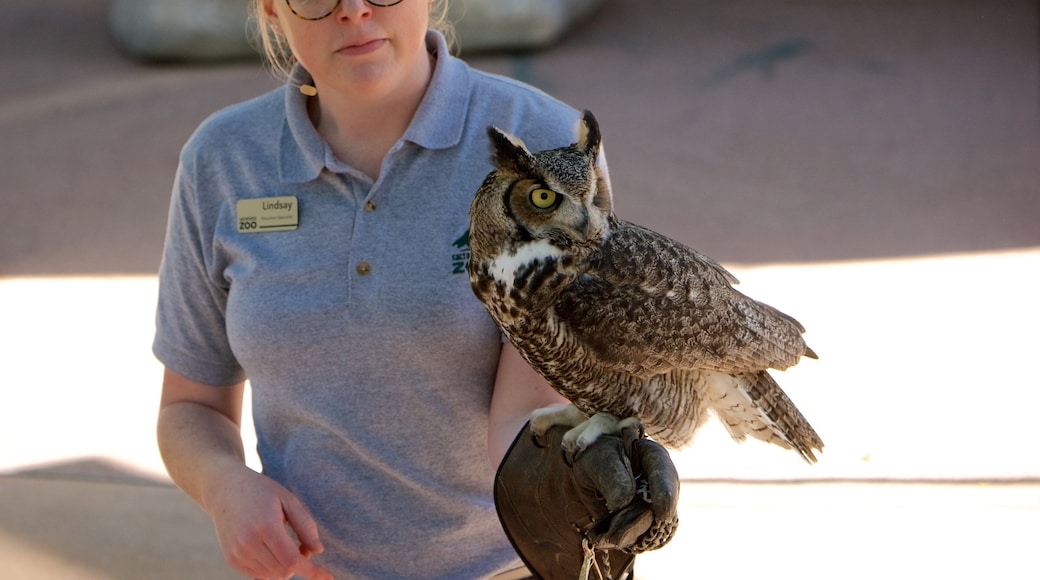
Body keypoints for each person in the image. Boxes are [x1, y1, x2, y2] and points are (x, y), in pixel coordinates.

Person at [152, 0, 593, 578]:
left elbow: (537, 413)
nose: (354, 11)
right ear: (271, 11)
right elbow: (190, 407)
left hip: (512, 566)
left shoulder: (545, 145)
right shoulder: (223, 158)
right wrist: (225, 486)